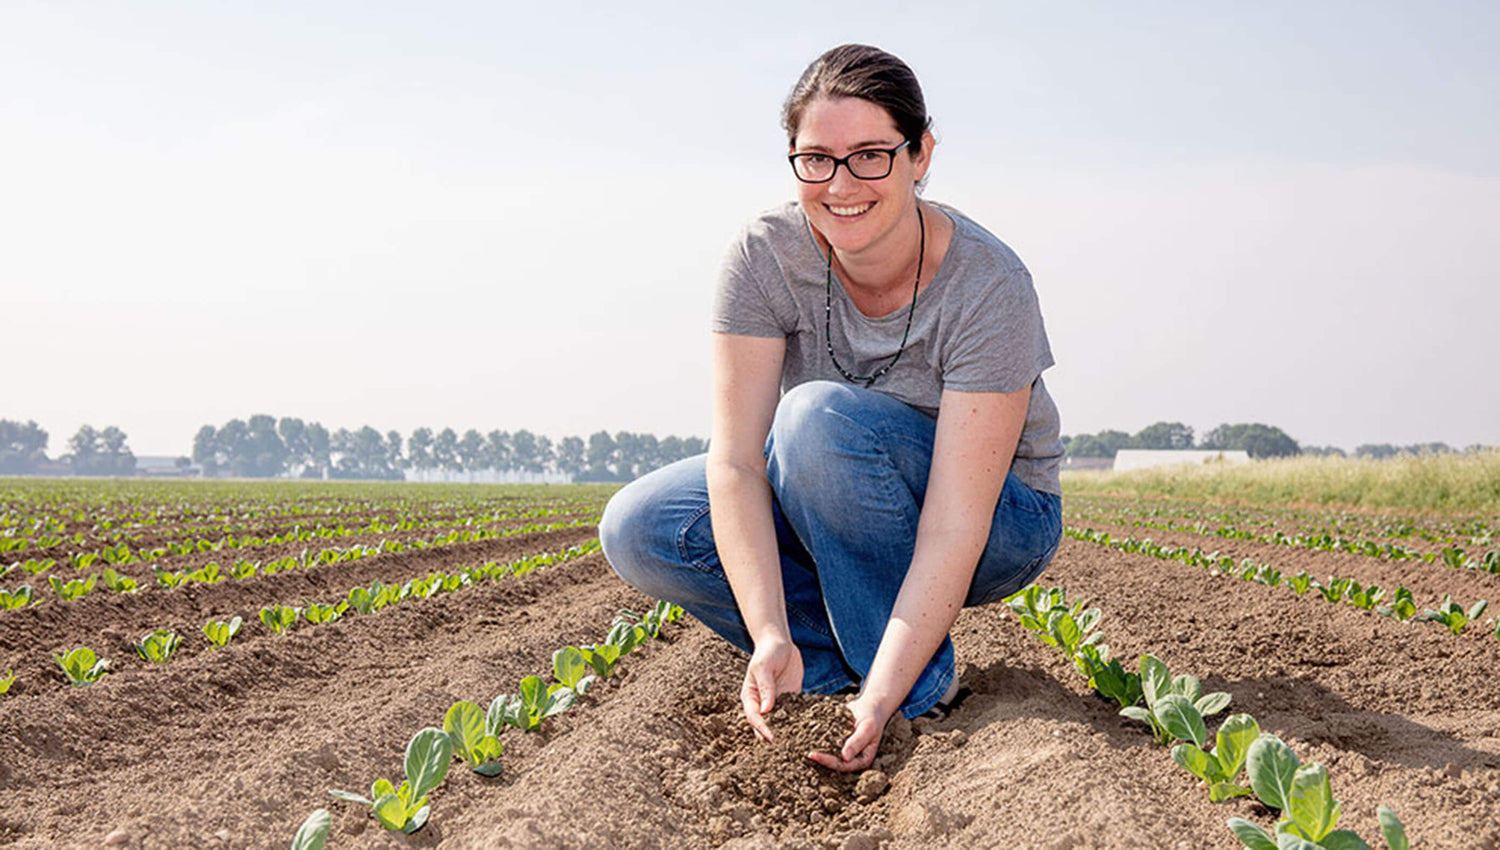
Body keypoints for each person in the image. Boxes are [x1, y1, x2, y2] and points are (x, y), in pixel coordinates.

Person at [600, 43, 1064, 773]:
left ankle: (908, 694)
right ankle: (823, 673)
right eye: (817, 158)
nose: (842, 184)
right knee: (642, 525)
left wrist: (890, 696)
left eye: (872, 155)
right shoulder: (766, 256)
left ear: (921, 155)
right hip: (832, 481)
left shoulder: (988, 284)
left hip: (998, 518)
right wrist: (769, 632)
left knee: (815, 422)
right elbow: (733, 464)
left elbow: (954, 523)